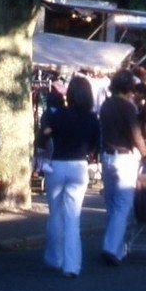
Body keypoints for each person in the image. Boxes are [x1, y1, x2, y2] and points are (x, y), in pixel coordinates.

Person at [42, 76, 100, 278]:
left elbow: (45, 135)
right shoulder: (92, 118)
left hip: (57, 164)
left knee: (55, 212)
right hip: (79, 165)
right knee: (73, 217)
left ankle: (54, 257)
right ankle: (72, 264)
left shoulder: (59, 116)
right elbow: (95, 145)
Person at [99, 69, 146, 266]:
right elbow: (135, 133)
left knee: (111, 204)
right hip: (124, 158)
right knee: (123, 205)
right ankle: (111, 247)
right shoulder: (128, 107)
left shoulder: (105, 105)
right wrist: (144, 152)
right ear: (128, 88)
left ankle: (117, 248)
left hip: (107, 156)